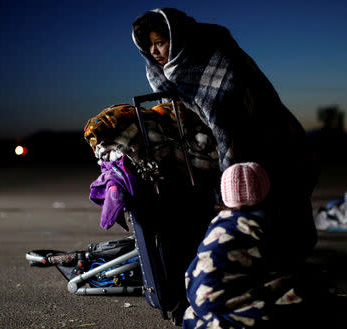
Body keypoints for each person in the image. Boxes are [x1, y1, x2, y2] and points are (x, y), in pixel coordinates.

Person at [132, 8, 318, 270]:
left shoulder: (216, 57)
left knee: (277, 193)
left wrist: (226, 183)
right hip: (232, 143)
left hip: (271, 136)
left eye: (160, 42)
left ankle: (283, 262)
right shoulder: (165, 73)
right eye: (148, 46)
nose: (153, 52)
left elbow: (227, 123)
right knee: (255, 204)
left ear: (178, 39)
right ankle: (262, 258)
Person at [183, 163, 328, 329]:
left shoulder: (219, 222)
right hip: (219, 299)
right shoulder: (259, 226)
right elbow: (278, 266)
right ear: (265, 191)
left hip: (198, 298)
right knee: (300, 290)